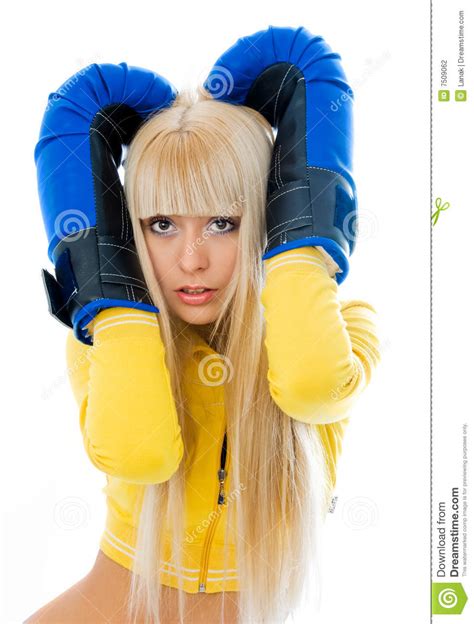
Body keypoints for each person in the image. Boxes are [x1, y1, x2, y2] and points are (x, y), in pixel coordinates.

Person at [26, 27, 381, 624]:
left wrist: (300, 244)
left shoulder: (343, 326)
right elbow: (138, 453)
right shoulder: (108, 342)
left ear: (269, 216)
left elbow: (312, 384)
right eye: (162, 224)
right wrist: (110, 293)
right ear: (128, 230)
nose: (192, 258)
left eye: (223, 221)